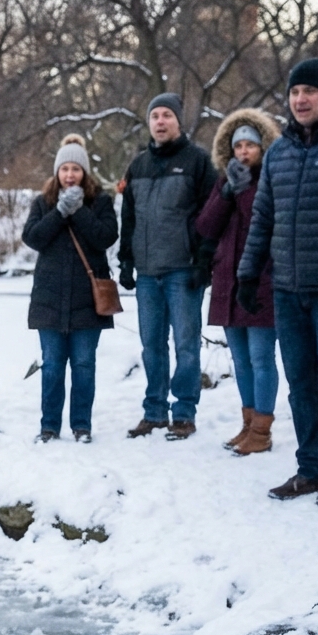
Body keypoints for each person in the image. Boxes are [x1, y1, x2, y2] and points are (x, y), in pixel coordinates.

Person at [238, 58, 318, 507]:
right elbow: (262, 216)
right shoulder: (279, 153)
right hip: (287, 288)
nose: (300, 99)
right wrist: (248, 272)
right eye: (294, 92)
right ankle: (310, 470)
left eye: (309, 91)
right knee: (300, 384)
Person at [117, 93, 219, 440]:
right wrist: (126, 261)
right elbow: (128, 218)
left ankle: (184, 413)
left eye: (166, 116)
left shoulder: (197, 161)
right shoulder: (139, 165)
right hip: (147, 273)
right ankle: (155, 411)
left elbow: (211, 214)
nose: (160, 122)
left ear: (178, 121)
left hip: (183, 270)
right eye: (154, 116)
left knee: (186, 346)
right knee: (151, 346)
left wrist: (204, 260)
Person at [22, 135, 118, 444]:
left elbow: (105, 237)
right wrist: (60, 212)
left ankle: (81, 426)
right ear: (57, 172)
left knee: (84, 366)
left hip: (87, 302)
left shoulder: (100, 202)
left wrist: (78, 211)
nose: (70, 175)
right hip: (49, 301)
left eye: (76, 168)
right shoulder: (43, 202)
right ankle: (49, 427)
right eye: (64, 168)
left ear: (85, 172)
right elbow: (33, 238)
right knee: (51, 368)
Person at [195, 108, 281, 456]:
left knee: (261, 358)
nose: (244, 152)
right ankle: (247, 425)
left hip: (261, 281)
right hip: (227, 281)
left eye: (250, 145)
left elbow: (260, 221)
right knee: (241, 360)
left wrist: (243, 191)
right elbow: (205, 227)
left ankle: (262, 429)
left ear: (263, 148)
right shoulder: (225, 181)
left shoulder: (271, 180)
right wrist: (227, 191)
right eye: (238, 146)